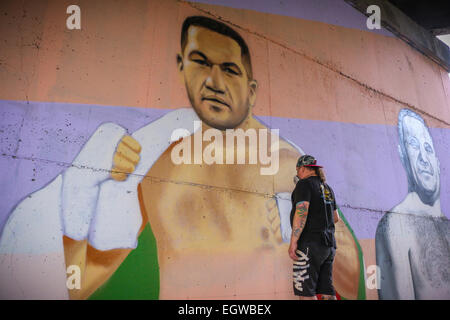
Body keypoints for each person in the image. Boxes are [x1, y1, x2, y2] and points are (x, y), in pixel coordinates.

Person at [0, 16, 363, 300]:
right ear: (181, 69)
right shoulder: (156, 161)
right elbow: (76, 284)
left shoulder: (289, 165)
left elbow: (348, 281)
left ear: (252, 91)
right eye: (200, 63)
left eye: (230, 70)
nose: (213, 82)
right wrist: (81, 185)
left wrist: (311, 231)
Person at [375, 108, 450, 299]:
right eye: (414, 145)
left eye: (428, 148)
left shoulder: (446, 225)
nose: (423, 159)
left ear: (437, 160)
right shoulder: (396, 224)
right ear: (403, 155)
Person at [288, 155, 340, 300]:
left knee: (305, 293)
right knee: (327, 292)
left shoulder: (304, 184)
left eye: (297, 170)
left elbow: (302, 211)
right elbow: (335, 217)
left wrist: (294, 242)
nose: (297, 173)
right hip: (328, 245)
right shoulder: (327, 188)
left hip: (309, 245)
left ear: (303, 168)